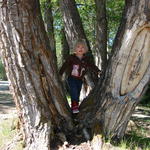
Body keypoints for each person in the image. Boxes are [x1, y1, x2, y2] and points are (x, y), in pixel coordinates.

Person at [59, 39, 101, 114]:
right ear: (75, 49)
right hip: (71, 78)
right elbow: (64, 65)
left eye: (82, 47)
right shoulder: (71, 58)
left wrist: (98, 71)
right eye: (78, 47)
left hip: (80, 79)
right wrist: (60, 74)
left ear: (85, 49)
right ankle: (74, 106)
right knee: (74, 91)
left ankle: (76, 106)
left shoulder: (86, 59)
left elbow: (92, 66)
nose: (80, 49)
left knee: (77, 92)